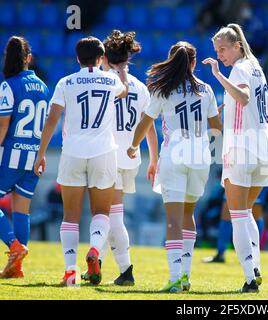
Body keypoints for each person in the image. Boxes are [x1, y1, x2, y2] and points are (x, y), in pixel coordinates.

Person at [128, 41, 222, 293]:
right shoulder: (206, 89)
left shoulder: (162, 89)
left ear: (171, 61)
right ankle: (186, 276)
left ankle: (175, 276)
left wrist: (133, 146)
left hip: (174, 156)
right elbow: (217, 129)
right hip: (200, 157)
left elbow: (145, 123)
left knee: (172, 220)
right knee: (188, 215)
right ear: (193, 63)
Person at [34, 36, 129, 285]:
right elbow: (124, 91)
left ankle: (70, 271)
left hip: (73, 152)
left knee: (70, 216)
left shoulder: (66, 82)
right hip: (103, 151)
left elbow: (52, 119)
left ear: (77, 58)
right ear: (101, 59)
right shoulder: (110, 80)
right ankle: (95, 250)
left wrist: (41, 153)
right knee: (101, 212)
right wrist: (118, 72)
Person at [79, 30, 157, 287]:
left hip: (107, 153)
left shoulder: (102, 82)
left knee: (109, 216)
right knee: (114, 213)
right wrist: (154, 158)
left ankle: (124, 269)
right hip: (131, 157)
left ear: (106, 58)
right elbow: (149, 125)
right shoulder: (140, 87)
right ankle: (100, 264)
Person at [203, 23, 268, 293]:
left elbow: (243, 97)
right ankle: (255, 267)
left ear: (237, 46)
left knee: (237, 214)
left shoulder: (238, 69)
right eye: (216, 50)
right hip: (263, 150)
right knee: (246, 214)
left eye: (223, 49)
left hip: (241, 149)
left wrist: (218, 75)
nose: (219, 54)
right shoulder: (257, 68)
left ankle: (249, 277)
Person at [203, 122, 268, 262]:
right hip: (238, 172)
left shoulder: (265, 122)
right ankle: (221, 253)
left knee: (254, 212)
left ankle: (254, 254)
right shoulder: (237, 116)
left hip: (255, 173)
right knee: (227, 211)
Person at [0, 36, 50, 278]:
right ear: (29, 59)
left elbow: (2, 126)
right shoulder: (43, 87)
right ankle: (16, 268)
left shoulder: (8, 86)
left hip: (10, 155)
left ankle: (14, 246)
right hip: (33, 156)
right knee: (22, 210)